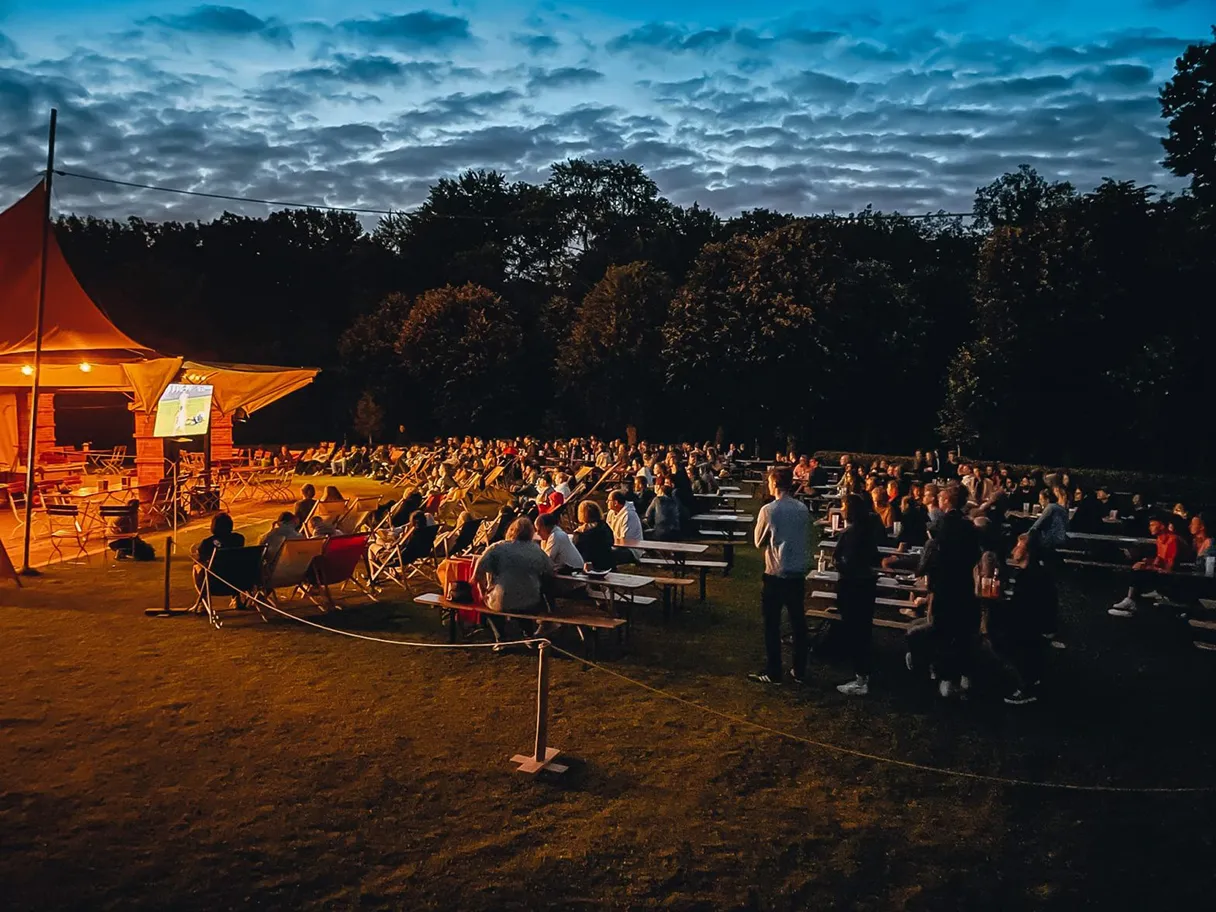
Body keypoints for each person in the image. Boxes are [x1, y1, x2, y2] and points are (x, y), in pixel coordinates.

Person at [908, 486, 981, 697]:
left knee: (943, 633)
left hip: (944, 587)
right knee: (962, 633)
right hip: (965, 587)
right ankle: (965, 676)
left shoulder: (940, 526)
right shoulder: (969, 527)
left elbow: (933, 557)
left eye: (941, 497)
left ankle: (946, 678)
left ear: (947, 500)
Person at [749, 466, 811, 686]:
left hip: (776, 571)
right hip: (797, 571)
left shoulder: (769, 510)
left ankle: (774, 670)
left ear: (774, 484)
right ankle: (799, 670)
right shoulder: (803, 509)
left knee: (772, 624)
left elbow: (758, 541)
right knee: (798, 623)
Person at [834, 493, 879, 696]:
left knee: (855, 631)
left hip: (854, 586)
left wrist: (839, 564)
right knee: (863, 631)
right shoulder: (868, 531)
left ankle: (861, 678)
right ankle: (864, 673)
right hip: (867, 586)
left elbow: (847, 562)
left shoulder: (851, 534)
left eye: (844, 507)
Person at [472, 517, 555, 614]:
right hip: (530, 602)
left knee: (497, 602)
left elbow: (477, 573)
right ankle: (529, 628)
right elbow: (550, 570)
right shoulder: (537, 550)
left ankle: (496, 627)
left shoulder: (497, 547)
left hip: (501, 601)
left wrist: (483, 592)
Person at [1109, 514, 1181, 617]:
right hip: (1163, 572)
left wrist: (1148, 566)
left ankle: (1132, 603)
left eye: (1152, 525)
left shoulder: (1172, 540)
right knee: (1138, 568)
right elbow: (1160, 560)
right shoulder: (1160, 540)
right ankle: (1131, 602)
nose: (1149, 527)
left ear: (1162, 526)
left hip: (1175, 575)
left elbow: (1170, 566)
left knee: (1139, 572)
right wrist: (1148, 562)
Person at [192, 513, 246, 599]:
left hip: (214, 583)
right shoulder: (239, 539)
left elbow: (200, 558)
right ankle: (236, 599)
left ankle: (203, 601)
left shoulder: (207, 543)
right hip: (238, 582)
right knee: (234, 564)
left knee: (196, 566)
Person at [572, 501, 616, 572]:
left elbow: (576, 550)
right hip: (608, 563)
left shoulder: (580, 533)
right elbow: (611, 541)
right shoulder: (604, 526)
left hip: (590, 566)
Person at [607, 490, 644, 565]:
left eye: (609, 500)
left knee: (607, 554)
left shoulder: (629, 515)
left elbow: (625, 541)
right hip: (615, 545)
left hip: (631, 550)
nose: (606, 502)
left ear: (615, 503)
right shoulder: (611, 513)